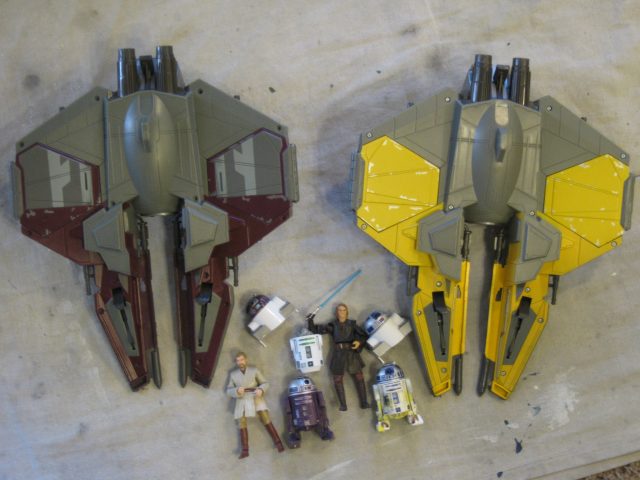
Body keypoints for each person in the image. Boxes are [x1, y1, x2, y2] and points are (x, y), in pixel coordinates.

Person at [307, 303, 370, 411]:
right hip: (338, 353)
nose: (341, 312)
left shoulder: (352, 324)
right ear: (336, 313)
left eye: (343, 310)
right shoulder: (333, 325)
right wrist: (310, 320)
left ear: (347, 312)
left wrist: (359, 342)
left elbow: (364, 335)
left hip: (351, 352)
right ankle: (343, 404)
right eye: (339, 310)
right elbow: (315, 330)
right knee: (337, 379)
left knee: (359, 377)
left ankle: (364, 402)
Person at [226, 351, 284, 459]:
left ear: (246, 360)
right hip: (242, 398)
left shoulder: (254, 371)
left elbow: (265, 383)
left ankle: (278, 442)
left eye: (242, 359)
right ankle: (245, 450)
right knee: (241, 421)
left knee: (265, 416)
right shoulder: (233, 375)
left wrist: (261, 390)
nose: (240, 362)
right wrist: (237, 390)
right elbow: (228, 390)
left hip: (255, 395)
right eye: (238, 360)